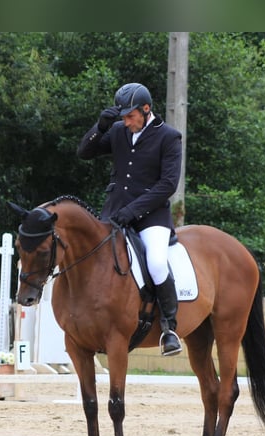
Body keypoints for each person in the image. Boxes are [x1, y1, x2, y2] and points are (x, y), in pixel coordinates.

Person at [77, 82, 183, 356]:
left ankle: (169, 328)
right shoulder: (118, 131)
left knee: (157, 263)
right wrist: (99, 128)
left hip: (151, 217)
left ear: (146, 109)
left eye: (130, 116)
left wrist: (133, 211)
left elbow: (168, 185)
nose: (126, 122)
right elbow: (84, 153)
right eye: (122, 117)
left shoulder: (169, 137)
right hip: (115, 213)